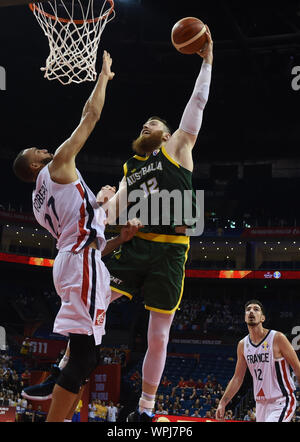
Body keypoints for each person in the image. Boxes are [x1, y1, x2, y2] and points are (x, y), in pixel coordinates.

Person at [12, 51, 140, 422]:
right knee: (86, 355)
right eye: (35, 151)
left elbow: (84, 234)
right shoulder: (57, 166)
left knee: (86, 352)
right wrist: (103, 77)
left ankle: (55, 386)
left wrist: (115, 233)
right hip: (79, 262)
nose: (42, 149)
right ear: (34, 164)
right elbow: (91, 116)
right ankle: (54, 395)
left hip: (73, 262)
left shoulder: (38, 204)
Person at [98, 26, 213, 422]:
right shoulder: (131, 166)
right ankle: (65, 365)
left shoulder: (179, 145)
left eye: (152, 124)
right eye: (142, 124)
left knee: (158, 334)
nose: (145, 126)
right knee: (95, 297)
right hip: (137, 244)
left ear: (166, 133)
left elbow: (197, 102)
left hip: (170, 250)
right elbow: (110, 217)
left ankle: (145, 409)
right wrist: (104, 202)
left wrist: (207, 61)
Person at [216, 299, 300, 422]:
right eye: (248, 309)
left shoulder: (277, 338)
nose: (251, 311)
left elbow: (297, 368)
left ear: (262, 318)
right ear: (244, 317)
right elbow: (238, 378)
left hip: (281, 400)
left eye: (256, 309)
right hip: (260, 404)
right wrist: (223, 402)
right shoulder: (243, 345)